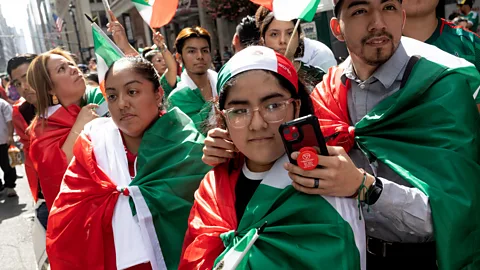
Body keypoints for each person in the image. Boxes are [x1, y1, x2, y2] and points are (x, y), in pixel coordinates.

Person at [203, 0, 480, 269]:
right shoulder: (326, 93)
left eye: (389, 8)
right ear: (337, 27)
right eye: (360, 10)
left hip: (421, 257)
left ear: (402, 17)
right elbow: (284, 155)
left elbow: (456, 214)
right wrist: (233, 147)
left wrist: (365, 188)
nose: (378, 23)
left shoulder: (442, 89)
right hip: (344, 254)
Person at [180, 46, 366, 269]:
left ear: (296, 107)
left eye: (273, 106)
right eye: (239, 111)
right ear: (223, 118)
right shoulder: (213, 189)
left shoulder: (326, 179)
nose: (257, 124)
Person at [46, 57, 211, 270]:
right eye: (112, 96)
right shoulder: (94, 147)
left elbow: (210, 226)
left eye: (132, 92)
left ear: (158, 93)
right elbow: (67, 220)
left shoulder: (190, 149)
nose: (122, 104)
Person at [26, 48, 105, 211]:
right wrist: (79, 127)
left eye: (71, 64)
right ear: (50, 89)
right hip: (85, 215)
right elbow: (58, 175)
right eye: (62, 69)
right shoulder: (43, 128)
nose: (73, 69)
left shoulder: (99, 97)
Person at [7, 54, 48, 225]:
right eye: (17, 83)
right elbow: (32, 157)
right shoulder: (21, 111)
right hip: (51, 195)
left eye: (28, 77)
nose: (24, 87)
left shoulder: (72, 96)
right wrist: (40, 196)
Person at [255, 6, 327, 92]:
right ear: (263, 39)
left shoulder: (317, 77)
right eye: (274, 34)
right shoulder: (253, 79)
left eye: (289, 33)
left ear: (299, 37)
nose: (282, 40)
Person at [107, 13, 179, 97]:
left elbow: (172, 67)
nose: (164, 62)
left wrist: (162, 47)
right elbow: (136, 58)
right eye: (159, 60)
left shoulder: (164, 84)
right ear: (150, 65)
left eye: (163, 59)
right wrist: (122, 39)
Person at [402, 0, 480, 74]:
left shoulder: (472, 44)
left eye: (462, 5)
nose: (461, 7)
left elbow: (467, 25)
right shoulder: (390, 48)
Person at [167, 26, 217, 131]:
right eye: (192, 51)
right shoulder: (177, 98)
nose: (200, 56)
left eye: (205, 50)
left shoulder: (223, 85)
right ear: (179, 58)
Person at [0, 97, 17, 197]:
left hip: (3, 140)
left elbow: (10, 120)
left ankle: (10, 186)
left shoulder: (2, 104)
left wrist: (10, 135)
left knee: (7, 164)